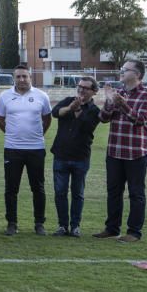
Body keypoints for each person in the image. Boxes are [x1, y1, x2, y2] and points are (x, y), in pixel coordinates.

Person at [95, 59, 147, 243]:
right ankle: (112, 228)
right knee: (113, 192)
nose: (121, 72)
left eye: (126, 69)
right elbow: (103, 118)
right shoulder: (118, 93)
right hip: (114, 151)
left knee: (136, 193)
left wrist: (122, 104)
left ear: (137, 75)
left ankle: (134, 232)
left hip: (137, 152)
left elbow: (141, 119)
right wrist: (108, 102)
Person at [0, 64, 52, 236]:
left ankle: (39, 223)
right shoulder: (5, 96)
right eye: (18, 76)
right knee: (11, 188)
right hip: (12, 149)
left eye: (24, 76)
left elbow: (47, 119)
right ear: (14, 78)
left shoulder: (41, 96)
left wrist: (37, 135)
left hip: (36, 148)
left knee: (38, 187)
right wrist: (12, 134)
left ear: (30, 77)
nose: (21, 79)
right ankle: (12, 223)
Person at [50, 77, 101, 237]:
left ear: (94, 92)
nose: (81, 90)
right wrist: (70, 108)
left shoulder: (94, 110)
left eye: (86, 88)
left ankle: (75, 226)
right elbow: (55, 113)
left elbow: (86, 127)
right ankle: (62, 226)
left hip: (81, 157)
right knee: (60, 192)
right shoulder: (68, 100)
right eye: (79, 86)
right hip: (61, 154)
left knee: (78, 193)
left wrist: (77, 110)